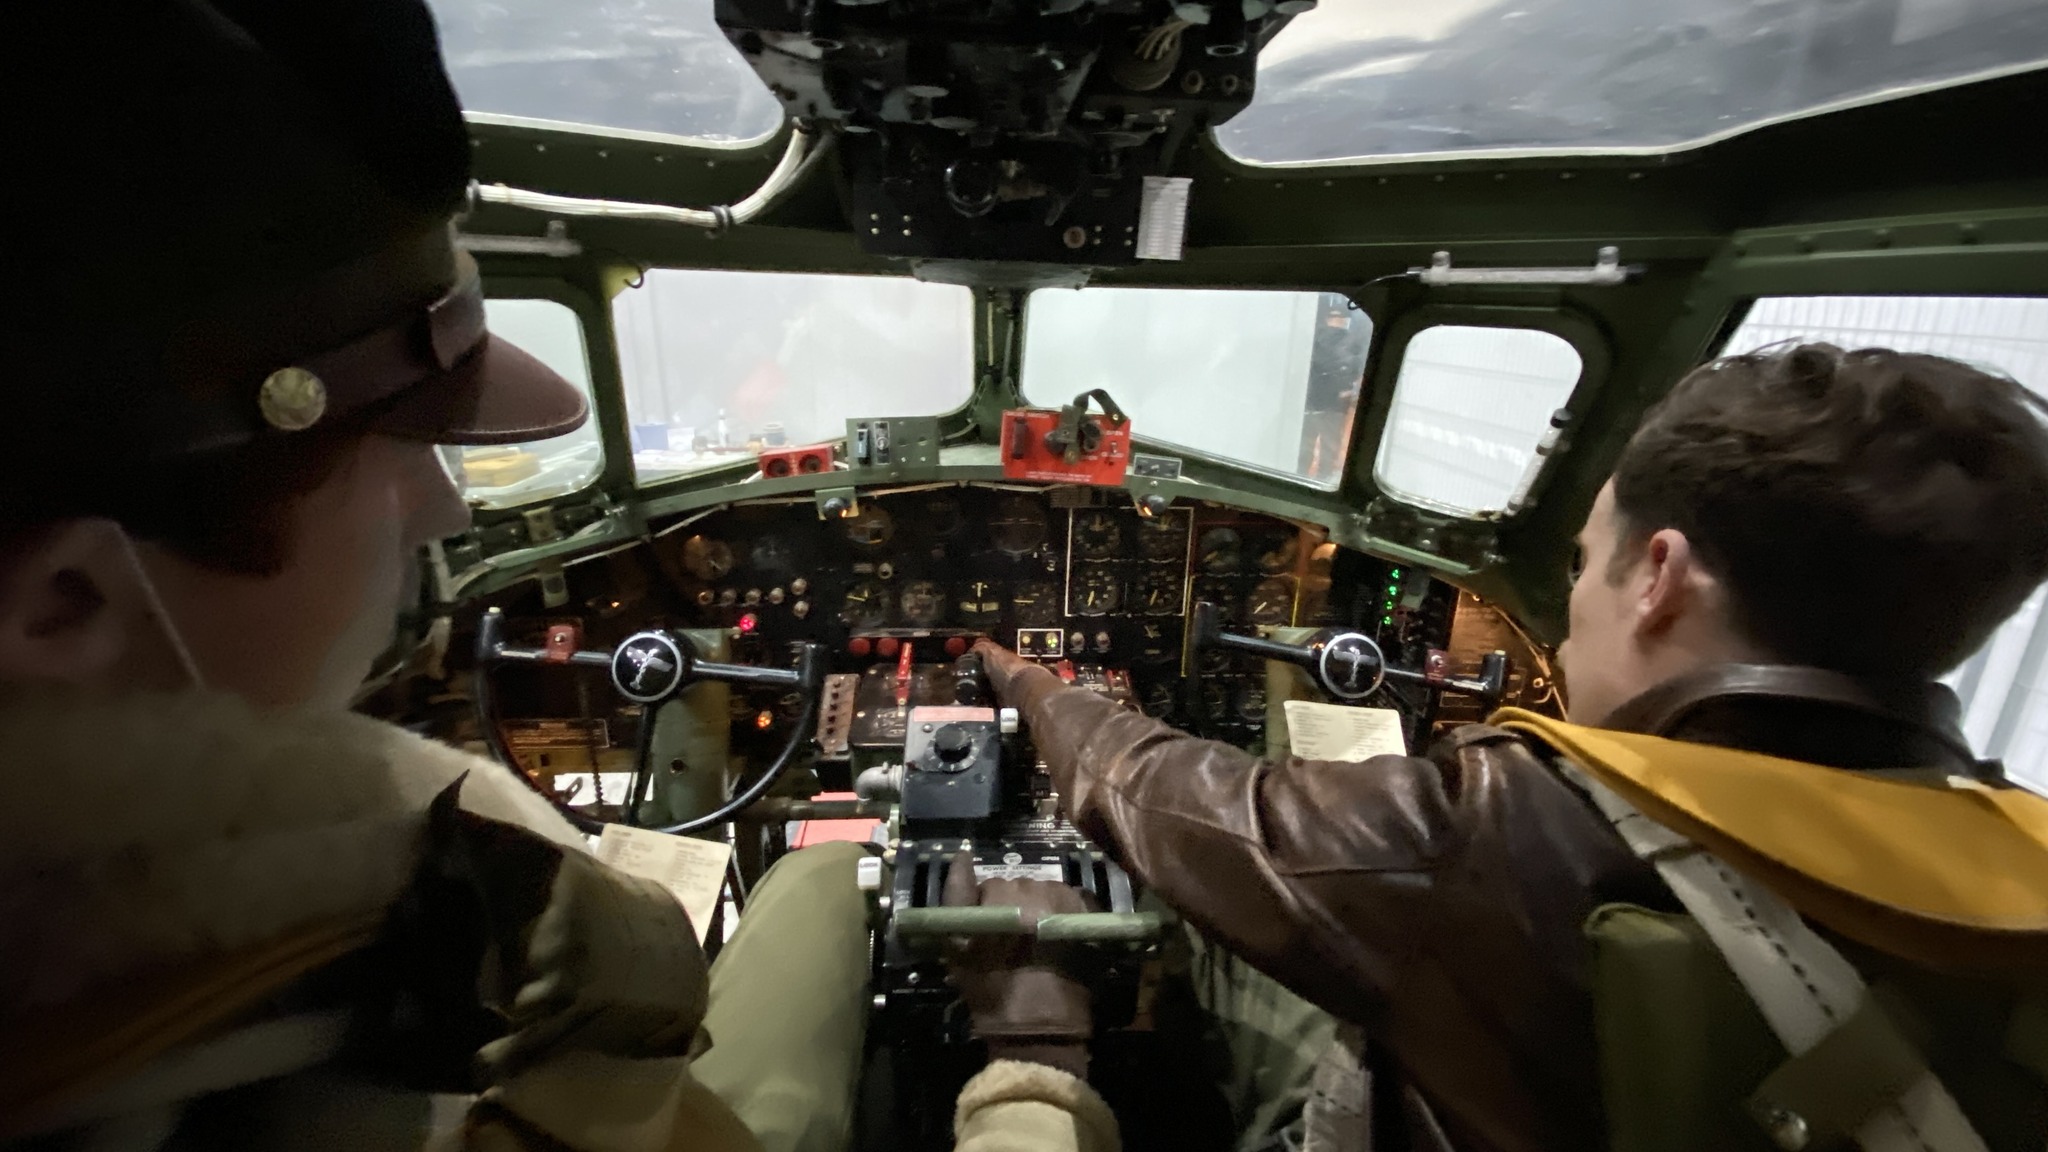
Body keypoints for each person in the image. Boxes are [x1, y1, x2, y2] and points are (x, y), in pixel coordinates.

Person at [0, 5, 1105, 1151]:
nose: (446, 509)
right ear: (65, 603)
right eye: (395, 447)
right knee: (824, 880)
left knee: (826, 877)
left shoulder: (255, 945)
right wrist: (1032, 1067)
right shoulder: (461, 945)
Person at [975, 343, 2048, 1152]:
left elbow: (1158, 792)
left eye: (1582, 563)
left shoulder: (1499, 825)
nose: (1568, 617)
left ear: (1659, 577)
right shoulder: (2020, 860)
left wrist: (1032, 686)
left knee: (1182, 921)